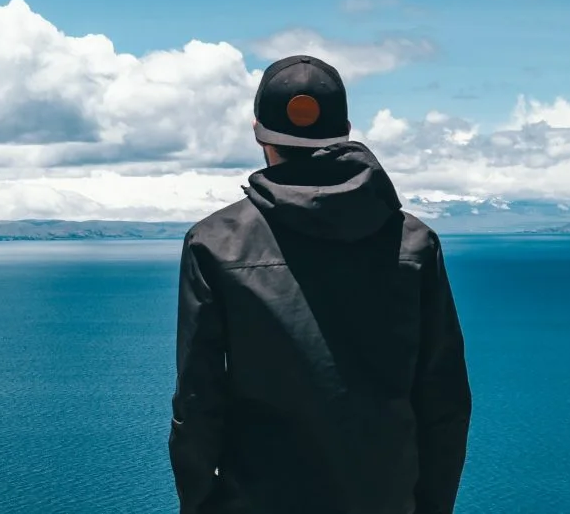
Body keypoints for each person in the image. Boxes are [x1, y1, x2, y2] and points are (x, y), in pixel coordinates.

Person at [169, 55, 472, 514]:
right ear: (345, 130)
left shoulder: (214, 244)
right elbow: (444, 401)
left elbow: (198, 402)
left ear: (258, 133)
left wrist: (200, 504)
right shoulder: (414, 243)